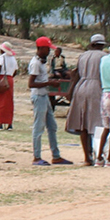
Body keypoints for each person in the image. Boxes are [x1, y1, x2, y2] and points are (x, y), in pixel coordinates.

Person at [66, 34, 108, 165]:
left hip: (81, 87)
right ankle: (99, 155)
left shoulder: (82, 56)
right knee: (98, 123)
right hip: (96, 88)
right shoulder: (104, 57)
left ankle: (87, 157)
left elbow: (76, 74)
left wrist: (70, 91)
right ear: (102, 45)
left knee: (83, 124)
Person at [30, 36, 71, 166]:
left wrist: (49, 82)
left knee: (52, 126)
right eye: (47, 49)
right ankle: (37, 157)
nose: (49, 52)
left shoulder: (41, 62)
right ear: (41, 48)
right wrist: (49, 83)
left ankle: (56, 155)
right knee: (38, 127)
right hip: (39, 97)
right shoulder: (36, 63)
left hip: (44, 96)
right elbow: (31, 84)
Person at [0, 42, 17, 130]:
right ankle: (9, 123)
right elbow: (15, 71)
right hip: (10, 80)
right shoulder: (13, 58)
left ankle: (0, 123)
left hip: (1, 79)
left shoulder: (1, 58)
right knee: (9, 102)